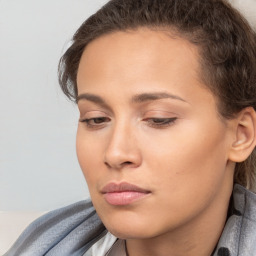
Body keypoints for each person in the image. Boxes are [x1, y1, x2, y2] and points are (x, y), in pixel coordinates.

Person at [4, 0, 256, 255]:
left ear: (241, 135)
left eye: (159, 119)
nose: (115, 153)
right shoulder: (39, 244)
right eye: (96, 119)